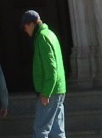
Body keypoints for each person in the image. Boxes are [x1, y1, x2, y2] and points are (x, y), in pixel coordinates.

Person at [20, 9, 67, 138]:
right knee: (57, 131)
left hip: (50, 91)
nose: (25, 31)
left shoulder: (42, 38)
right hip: (59, 89)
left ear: (32, 24)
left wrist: (46, 93)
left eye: (25, 27)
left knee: (41, 129)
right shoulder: (50, 34)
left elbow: (51, 69)